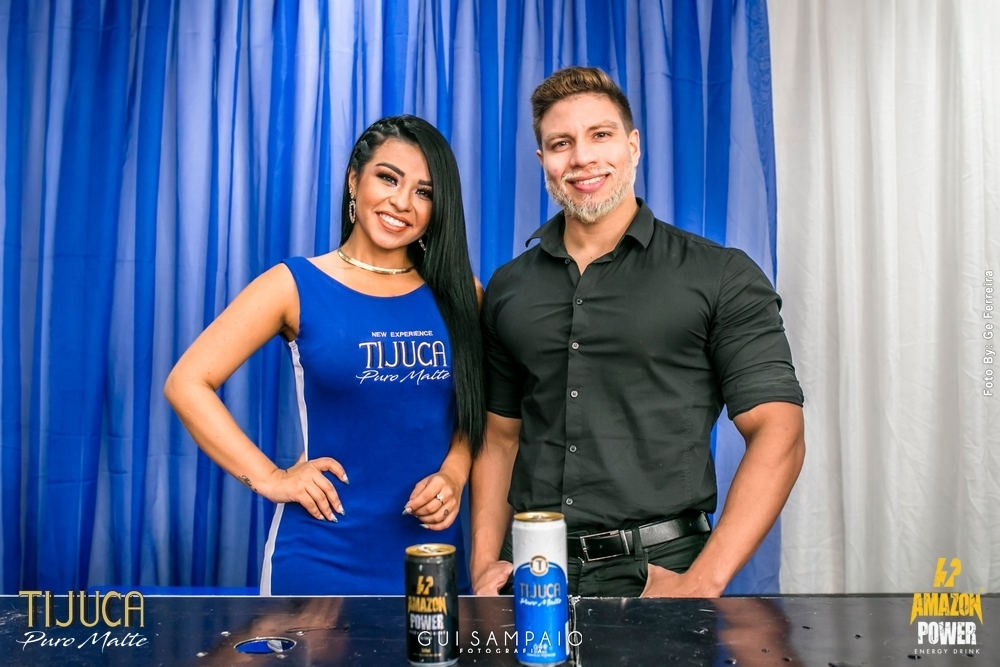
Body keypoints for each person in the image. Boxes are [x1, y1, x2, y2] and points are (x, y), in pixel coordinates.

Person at [470, 67, 805, 598]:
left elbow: (779, 431)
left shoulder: (720, 275)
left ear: (633, 146)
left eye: (600, 135)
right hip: (529, 570)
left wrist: (702, 581)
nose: (582, 157)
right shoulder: (510, 287)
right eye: (561, 143)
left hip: (662, 571)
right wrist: (484, 562)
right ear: (543, 161)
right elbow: (499, 438)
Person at [165, 115, 484, 595]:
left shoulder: (462, 295)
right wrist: (271, 478)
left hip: (432, 558)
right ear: (354, 180)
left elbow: (477, 407)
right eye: (388, 178)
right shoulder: (294, 284)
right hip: (319, 557)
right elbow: (187, 383)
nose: (402, 202)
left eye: (424, 192)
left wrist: (455, 474)